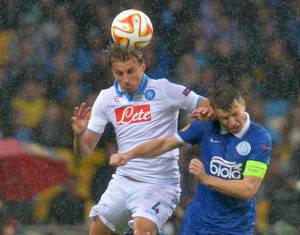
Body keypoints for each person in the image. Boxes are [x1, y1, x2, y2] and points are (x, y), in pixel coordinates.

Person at [71, 45, 212, 235]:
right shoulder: (106, 99)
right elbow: (84, 151)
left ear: (143, 66)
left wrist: (191, 127)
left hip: (160, 183)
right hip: (123, 181)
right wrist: (79, 135)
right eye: (119, 73)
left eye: (131, 71)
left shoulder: (164, 89)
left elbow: (208, 105)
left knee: (142, 230)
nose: (126, 79)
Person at [110, 83, 272, 235]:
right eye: (225, 118)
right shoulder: (206, 126)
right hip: (197, 222)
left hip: (235, 227)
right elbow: (164, 143)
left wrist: (207, 179)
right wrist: (129, 154)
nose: (232, 122)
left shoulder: (259, 138)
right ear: (215, 113)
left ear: (243, 104)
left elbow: (248, 190)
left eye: (235, 114)